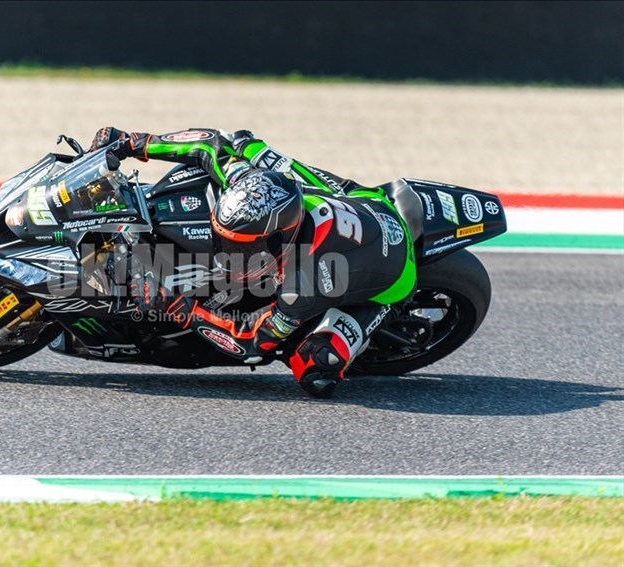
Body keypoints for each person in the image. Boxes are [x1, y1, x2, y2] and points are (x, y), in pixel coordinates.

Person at [89, 127, 417, 398]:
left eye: (239, 247)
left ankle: (350, 331)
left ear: (277, 239)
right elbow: (210, 144)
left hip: (392, 275)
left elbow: (251, 342)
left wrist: (179, 307)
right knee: (244, 144)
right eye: (224, 240)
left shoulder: (303, 285)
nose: (225, 251)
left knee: (315, 368)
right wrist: (132, 142)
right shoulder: (252, 183)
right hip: (364, 200)